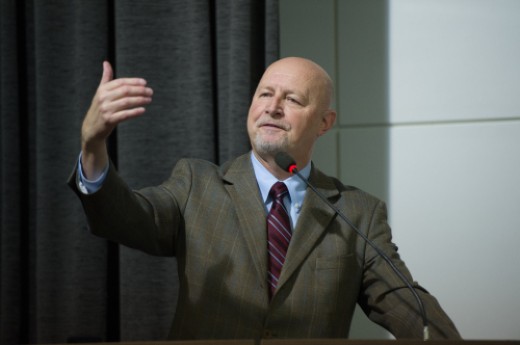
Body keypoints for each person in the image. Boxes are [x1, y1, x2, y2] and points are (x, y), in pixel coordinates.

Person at [69, 57, 461, 340]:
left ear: (324, 122)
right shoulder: (197, 184)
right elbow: (123, 218)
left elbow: (406, 305)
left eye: (292, 99)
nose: (272, 107)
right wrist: (92, 147)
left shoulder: (357, 212)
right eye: (265, 94)